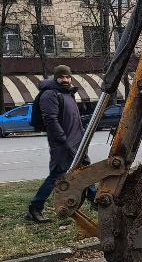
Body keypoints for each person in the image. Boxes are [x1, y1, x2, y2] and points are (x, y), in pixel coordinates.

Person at [25, 65, 96, 222]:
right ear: (56, 78)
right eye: (62, 77)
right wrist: (62, 139)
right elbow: (50, 119)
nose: (65, 79)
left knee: (85, 170)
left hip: (76, 142)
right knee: (57, 175)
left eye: (68, 77)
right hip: (63, 144)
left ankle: (95, 200)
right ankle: (34, 208)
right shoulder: (50, 95)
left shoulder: (68, 94)